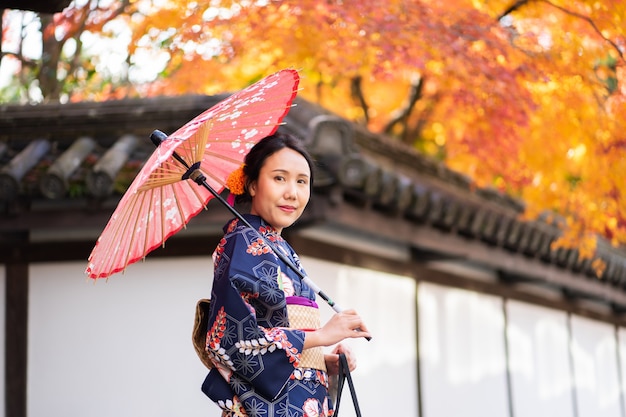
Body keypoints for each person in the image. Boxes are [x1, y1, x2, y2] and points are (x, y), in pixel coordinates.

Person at [201, 132, 371, 417]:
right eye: (279, 178)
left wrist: (322, 362)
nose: (292, 192)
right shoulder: (243, 242)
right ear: (252, 184)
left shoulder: (278, 248)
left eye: (301, 181)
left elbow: (279, 331)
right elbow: (232, 340)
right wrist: (321, 335)